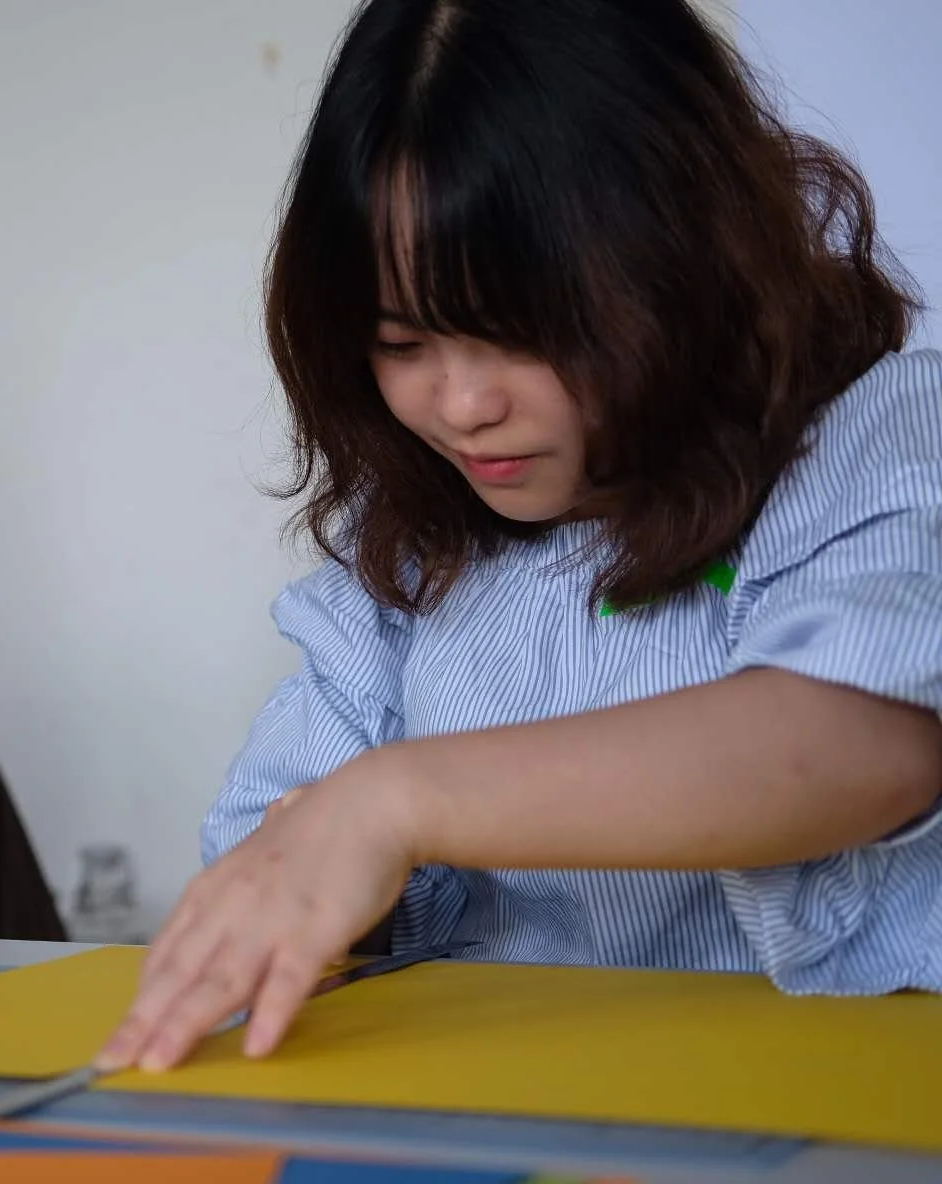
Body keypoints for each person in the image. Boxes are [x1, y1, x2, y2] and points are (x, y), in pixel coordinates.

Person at [103, 0, 942, 1075]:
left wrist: (397, 800)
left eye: (526, 333)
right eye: (401, 342)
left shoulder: (879, 431)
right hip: (492, 1099)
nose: (460, 406)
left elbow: (854, 743)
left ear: (687, 257)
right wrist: (310, 896)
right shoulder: (404, 552)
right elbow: (278, 846)